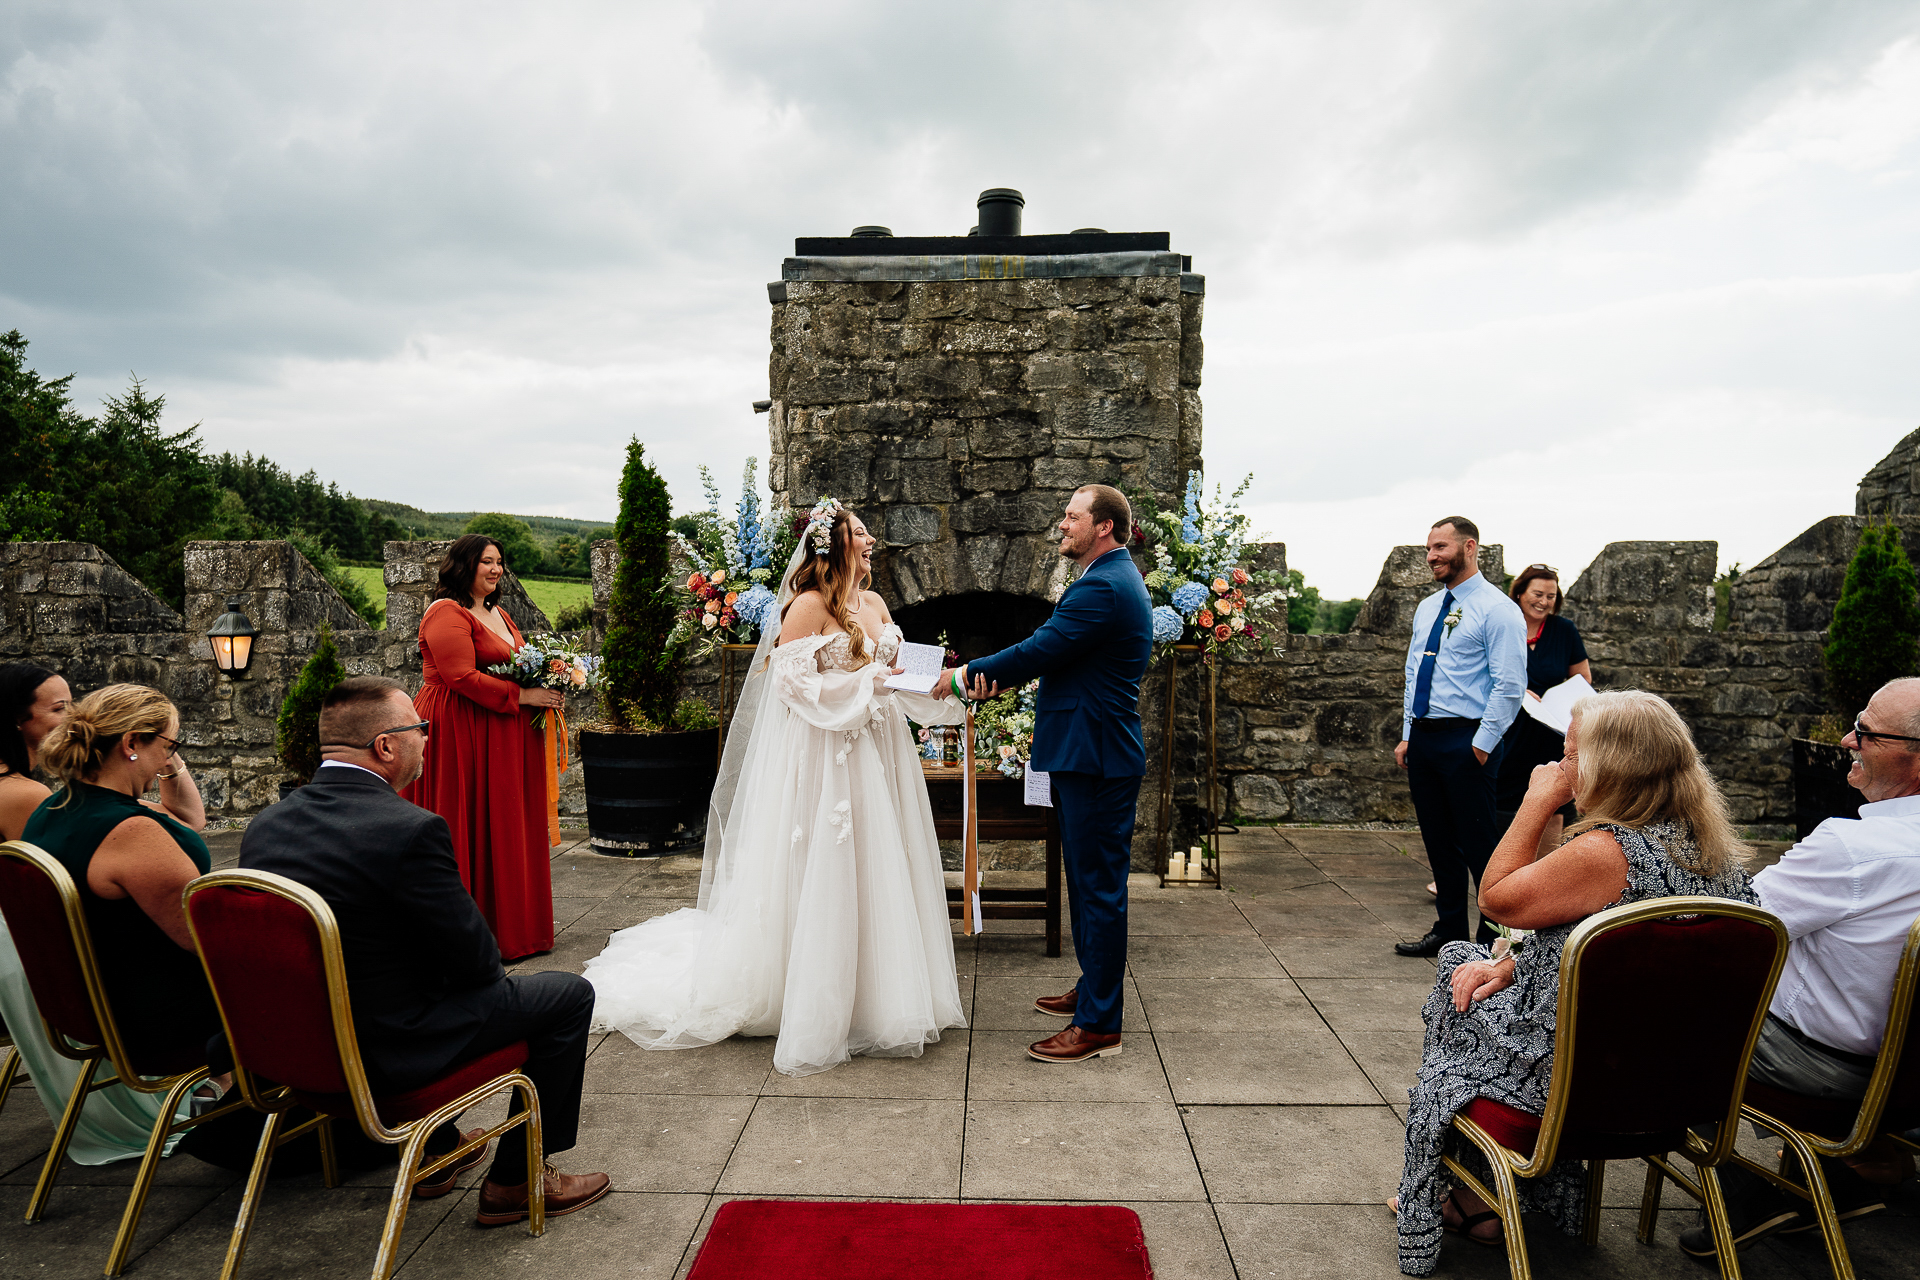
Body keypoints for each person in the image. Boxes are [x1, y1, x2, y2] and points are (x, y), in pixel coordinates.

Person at [583, 500, 970, 1078]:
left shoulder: (876, 603)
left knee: (880, 862)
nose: (870, 542)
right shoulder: (808, 608)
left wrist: (946, 687)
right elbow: (794, 689)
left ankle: (879, 990)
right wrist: (870, 682)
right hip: (829, 754)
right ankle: (810, 991)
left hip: (881, 746)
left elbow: (904, 672)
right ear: (832, 545)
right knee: (828, 861)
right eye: (859, 534)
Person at [1389, 690, 1760, 1276]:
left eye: (1569, 752)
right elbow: (1631, 954)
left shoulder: (1609, 851)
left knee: (1456, 965)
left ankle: (1472, 1197)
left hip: (1581, 1085)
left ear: (1608, 765)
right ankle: (1487, 1191)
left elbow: (1497, 902)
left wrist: (1538, 801)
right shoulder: (1713, 854)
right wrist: (1515, 964)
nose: (1559, 764)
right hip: (1683, 1082)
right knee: (1486, 970)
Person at [241, 677, 610, 1223]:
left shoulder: (266, 827)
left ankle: (437, 1151)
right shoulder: (409, 830)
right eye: (421, 729)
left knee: (401, 978)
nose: (427, 740)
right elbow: (479, 964)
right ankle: (517, 1179)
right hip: (388, 1054)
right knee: (568, 995)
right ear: (386, 746)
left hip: (294, 1048)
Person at [1674, 675, 1920, 1262]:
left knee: (1645, 1009)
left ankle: (1747, 1193)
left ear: (1913, 758)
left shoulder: (1853, 849)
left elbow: (1731, 928)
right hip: (1907, 1074)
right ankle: (1845, 1173)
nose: (1846, 739)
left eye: (1865, 731)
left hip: (1834, 1071)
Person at [952, 483, 1154, 1064]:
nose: (1061, 525)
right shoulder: (1104, 579)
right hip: (1084, 753)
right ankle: (1093, 991)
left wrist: (964, 676)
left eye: (1072, 516)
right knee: (1089, 886)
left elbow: (1038, 650)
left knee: (1099, 892)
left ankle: (1098, 1028)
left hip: (1094, 757)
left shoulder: (1106, 586)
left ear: (1105, 527)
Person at [21, 685, 223, 1076]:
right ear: (131, 741)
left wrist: (163, 752)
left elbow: (188, 817)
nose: (171, 754)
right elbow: (208, 940)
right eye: (169, 744)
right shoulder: (130, 831)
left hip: (99, 1003)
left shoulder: (54, 807)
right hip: (164, 1019)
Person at [401, 533, 564, 961]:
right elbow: (459, 677)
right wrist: (524, 697)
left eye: (499, 562)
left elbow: (517, 664)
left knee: (506, 822)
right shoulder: (445, 613)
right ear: (464, 565)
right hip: (459, 728)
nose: (495, 569)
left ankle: (513, 930)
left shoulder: (499, 614)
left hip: (501, 729)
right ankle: (466, 938)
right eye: (487, 562)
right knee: (466, 821)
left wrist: (548, 681)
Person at [1394, 517, 1528, 958]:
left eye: (1440, 547)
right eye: (1429, 549)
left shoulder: (1498, 609)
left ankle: (1493, 939)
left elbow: (1509, 685)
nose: (1431, 556)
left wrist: (1482, 744)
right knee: (1437, 838)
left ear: (1469, 547)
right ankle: (1449, 932)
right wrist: (1408, 733)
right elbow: (1415, 673)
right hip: (1426, 740)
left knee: (1480, 845)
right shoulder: (1428, 608)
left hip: (1468, 740)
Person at [1493, 564, 1591, 850]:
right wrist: (1518, 691)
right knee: (1500, 800)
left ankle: (1542, 874)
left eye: (1551, 596)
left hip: (1550, 728)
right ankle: (1492, 869)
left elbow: (1582, 677)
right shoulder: (1504, 625)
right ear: (1520, 593)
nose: (1544, 601)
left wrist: (1558, 695)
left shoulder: (1564, 630)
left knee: (1553, 802)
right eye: (1538, 593)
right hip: (1509, 727)